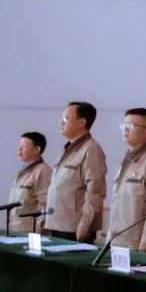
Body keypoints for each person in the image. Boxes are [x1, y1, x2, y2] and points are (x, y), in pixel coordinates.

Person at [106, 108, 146, 252]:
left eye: (130, 126)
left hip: (139, 244)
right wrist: (109, 238)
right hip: (118, 241)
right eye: (123, 125)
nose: (125, 129)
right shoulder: (126, 160)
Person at [46, 101, 107, 243]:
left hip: (74, 228)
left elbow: (95, 192)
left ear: (81, 122)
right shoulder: (68, 149)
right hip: (57, 223)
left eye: (66, 118)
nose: (61, 122)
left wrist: (85, 225)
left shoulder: (91, 149)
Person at [8, 132, 52, 233]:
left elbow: (44, 205)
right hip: (16, 230)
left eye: (24, 146)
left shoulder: (43, 171)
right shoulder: (22, 172)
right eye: (19, 145)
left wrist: (38, 234)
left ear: (37, 149)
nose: (19, 149)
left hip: (30, 232)